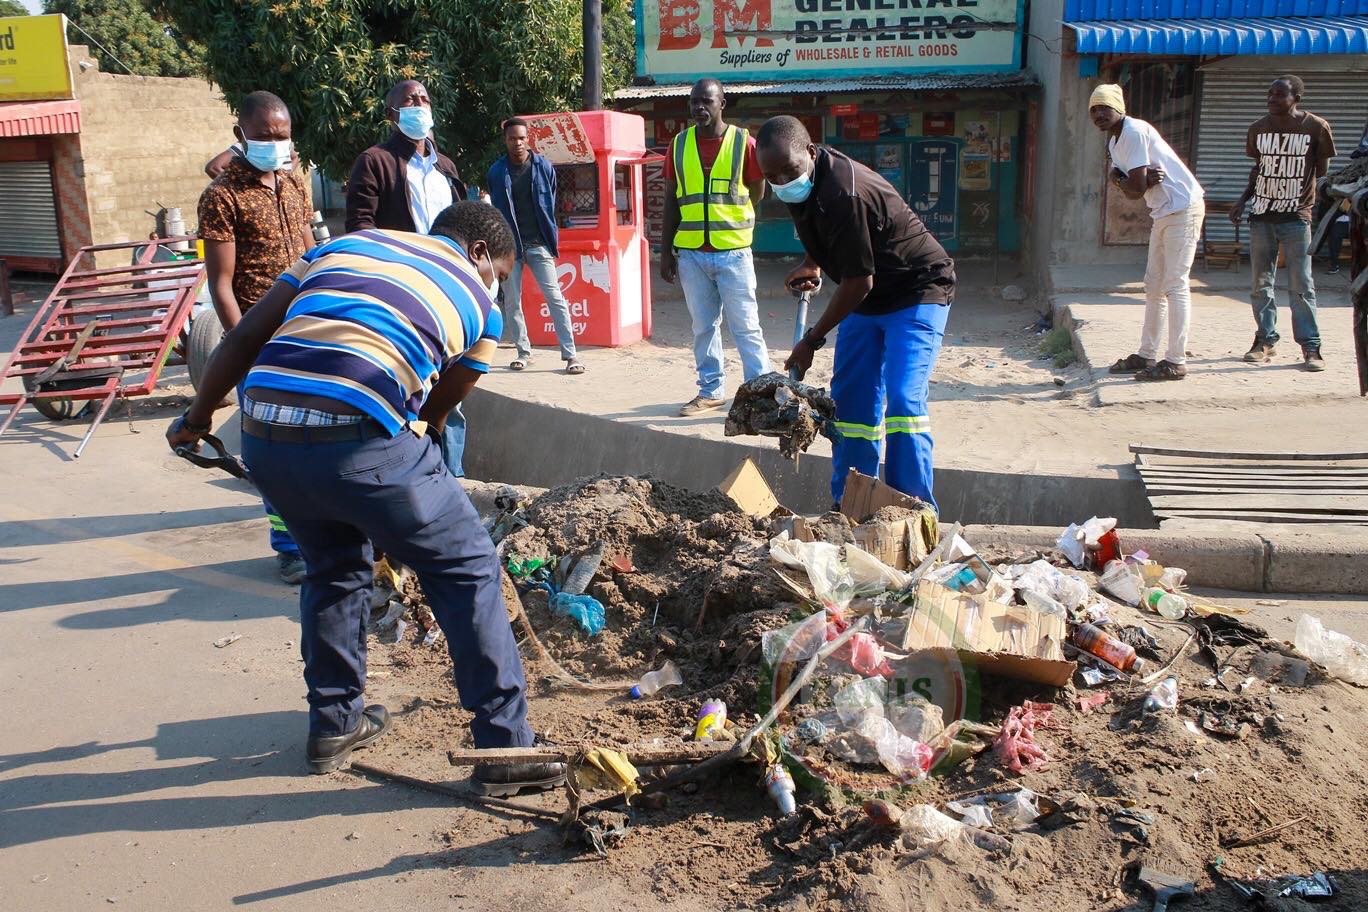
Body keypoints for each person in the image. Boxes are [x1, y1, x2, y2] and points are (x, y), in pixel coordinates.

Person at [165, 202, 565, 794]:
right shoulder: (481, 307)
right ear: (481, 253)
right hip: (359, 437)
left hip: (266, 435)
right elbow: (435, 412)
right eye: (502, 274)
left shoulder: (344, 247)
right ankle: (505, 749)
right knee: (469, 567)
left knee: (334, 568)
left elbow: (249, 332)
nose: (498, 287)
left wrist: (196, 419)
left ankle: (334, 725)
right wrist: (399, 492)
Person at [755, 116, 955, 510]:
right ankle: (852, 504)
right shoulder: (801, 184)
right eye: (771, 176)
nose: (781, 181)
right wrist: (813, 262)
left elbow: (858, 282)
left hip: (917, 289)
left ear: (810, 153)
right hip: (869, 296)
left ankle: (909, 508)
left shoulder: (845, 191)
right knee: (851, 407)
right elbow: (822, 230)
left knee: (902, 400)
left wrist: (811, 340)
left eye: (788, 171)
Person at [197, 90, 313, 584]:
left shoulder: (294, 183)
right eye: (264, 136)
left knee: (318, 439)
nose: (275, 144)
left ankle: (327, 535)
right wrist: (243, 347)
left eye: (282, 135)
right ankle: (289, 547)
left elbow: (312, 251)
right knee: (273, 448)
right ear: (240, 135)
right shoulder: (222, 196)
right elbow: (221, 284)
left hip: (310, 332)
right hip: (260, 343)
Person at [345, 79, 472, 476]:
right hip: (399, 294)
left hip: (445, 291)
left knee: (450, 395)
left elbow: (464, 223)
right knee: (404, 388)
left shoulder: (445, 167)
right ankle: (405, 477)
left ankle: (453, 479)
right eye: (409, 101)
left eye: (423, 99)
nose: (419, 105)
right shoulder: (375, 161)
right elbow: (360, 228)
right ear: (392, 114)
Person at [660, 78, 770, 416]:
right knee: (703, 328)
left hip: (733, 252)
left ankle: (760, 395)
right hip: (692, 253)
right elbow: (670, 201)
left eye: (707, 101)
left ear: (723, 103)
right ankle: (711, 391)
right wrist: (665, 253)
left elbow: (757, 191)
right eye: (694, 102)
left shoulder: (744, 143)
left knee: (746, 326)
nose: (699, 108)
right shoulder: (678, 145)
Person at [1089, 84, 1205, 382]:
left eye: (1104, 108)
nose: (1099, 114)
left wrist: (1130, 182)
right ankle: (1147, 353)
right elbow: (1126, 184)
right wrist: (1127, 181)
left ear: (1120, 109)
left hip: (1183, 208)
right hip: (1163, 212)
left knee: (1175, 284)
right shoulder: (1115, 143)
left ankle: (1176, 361)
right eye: (1094, 110)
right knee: (1153, 285)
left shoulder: (1135, 132)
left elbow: (1135, 189)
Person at [1230, 75, 1336, 372]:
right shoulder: (1258, 128)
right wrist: (1242, 200)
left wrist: (1311, 206)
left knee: (1301, 284)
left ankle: (1311, 347)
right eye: (1269, 95)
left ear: (1296, 98)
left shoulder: (1316, 128)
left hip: (1296, 217)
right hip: (1261, 215)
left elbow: (1321, 171)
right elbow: (1258, 170)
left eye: (1279, 95)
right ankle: (1265, 340)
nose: (1271, 99)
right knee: (1260, 284)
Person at [487, 117, 584, 374]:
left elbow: (550, 201)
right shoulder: (497, 172)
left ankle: (571, 356)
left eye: (521, 138)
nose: (517, 143)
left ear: (528, 139)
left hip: (538, 244)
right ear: (505, 140)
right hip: (510, 248)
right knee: (512, 301)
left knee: (555, 297)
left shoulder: (543, 167)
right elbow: (497, 210)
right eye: (512, 138)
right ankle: (523, 352)